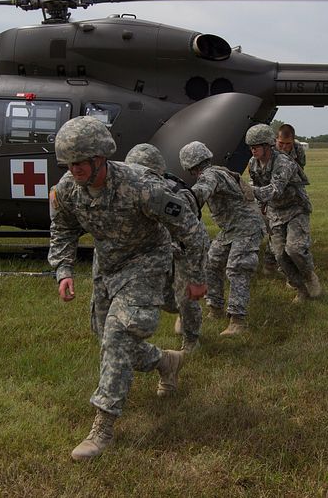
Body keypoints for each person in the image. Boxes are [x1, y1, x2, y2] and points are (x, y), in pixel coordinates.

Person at [48, 117, 209, 461]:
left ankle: (102, 427)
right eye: (69, 163)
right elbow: (62, 230)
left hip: (147, 262)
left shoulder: (142, 187)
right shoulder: (67, 190)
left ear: (100, 158)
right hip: (106, 266)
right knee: (106, 337)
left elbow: (191, 230)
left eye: (80, 162)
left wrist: (195, 277)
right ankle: (166, 361)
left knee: (119, 336)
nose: (73, 169)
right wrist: (63, 270)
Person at [125, 143, 205, 353]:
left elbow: (194, 234)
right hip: (161, 249)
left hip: (185, 247)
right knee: (163, 297)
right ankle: (182, 312)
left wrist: (196, 278)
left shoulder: (176, 193)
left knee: (185, 297)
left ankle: (191, 341)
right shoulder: (132, 191)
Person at [180, 140, 264, 336]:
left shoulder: (210, 175)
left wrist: (178, 204)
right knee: (212, 262)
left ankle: (237, 321)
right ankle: (215, 308)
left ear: (190, 166)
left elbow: (200, 193)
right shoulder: (217, 171)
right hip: (231, 229)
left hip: (246, 226)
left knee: (237, 267)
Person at [245, 124, 321, 304]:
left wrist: (247, 190)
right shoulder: (252, 163)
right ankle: (300, 289)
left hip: (296, 209)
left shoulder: (283, 162)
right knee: (280, 255)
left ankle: (310, 276)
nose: (253, 150)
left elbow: (274, 190)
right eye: (250, 147)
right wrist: (260, 204)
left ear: (268, 145)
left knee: (294, 249)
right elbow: (257, 185)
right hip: (275, 211)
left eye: (256, 146)